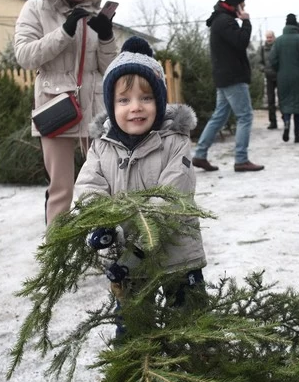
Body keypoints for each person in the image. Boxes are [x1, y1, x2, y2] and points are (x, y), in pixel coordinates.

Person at [74, 36, 207, 337]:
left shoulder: (175, 143)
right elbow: (88, 187)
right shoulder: (102, 147)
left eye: (146, 98)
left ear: (159, 101)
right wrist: (101, 223)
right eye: (124, 100)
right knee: (133, 331)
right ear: (111, 105)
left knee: (190, 327)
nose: (135, 108)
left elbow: (172, 202)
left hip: (177, 258)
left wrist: (133, 255)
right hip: (127, 263)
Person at [14, 0, 118, 226]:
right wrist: (65, 32)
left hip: (95, 109)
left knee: (103, 185)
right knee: (62, 188)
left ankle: (104, 249)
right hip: (55, 106)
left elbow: (109, 68)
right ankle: (56, 257)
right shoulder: (36, 8)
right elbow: (24, 56)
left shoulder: (95, 13)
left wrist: (106, 36)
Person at [192, 0, 264, 172]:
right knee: (245, 116)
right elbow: (241, 43)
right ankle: (241, 159)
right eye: (243, 3)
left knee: (219, 116)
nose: (245, 7)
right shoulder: (225, 21)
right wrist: (246, 22)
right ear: (237, 4)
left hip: (224, 76)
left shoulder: (221, 19)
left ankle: (200, 155)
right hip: (233, 77)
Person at [269, 14, 299, 143]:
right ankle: (297, 135)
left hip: (283, 76)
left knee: (286, 102)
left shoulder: (278, 41)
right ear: (296, 25)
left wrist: (279, 69)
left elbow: (272, 59)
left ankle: (286, 123)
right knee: (298, 104)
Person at [260, 30, 279, 129]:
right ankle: (273, 122)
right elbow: (260, 61)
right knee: (270, 100)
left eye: (270, 37)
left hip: (279, 75)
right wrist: (263, 68)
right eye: (267, 37)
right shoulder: (263, 48)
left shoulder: (278, 47)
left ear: (274, 37)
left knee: (282, 99)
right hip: (268, 76)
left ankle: (285, 120)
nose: (269, 39)